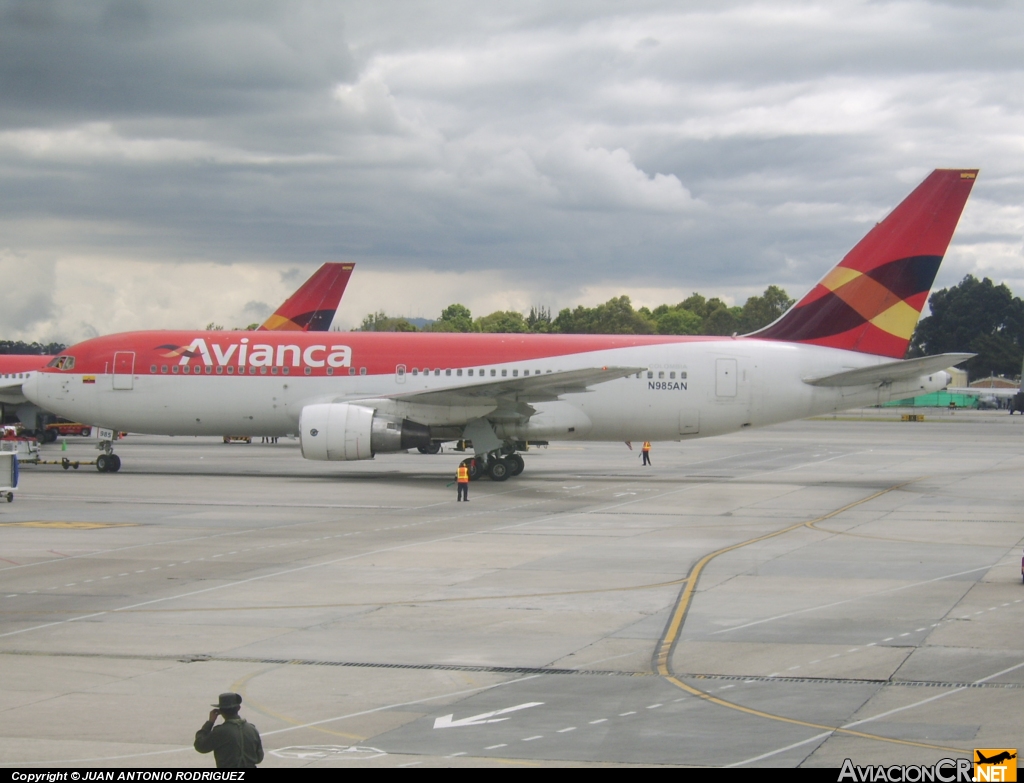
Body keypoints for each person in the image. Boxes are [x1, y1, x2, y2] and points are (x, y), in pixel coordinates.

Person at [194, 692, 264, 768]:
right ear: (238, 708)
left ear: (220, 711)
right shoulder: (252, 729)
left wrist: (210, 722)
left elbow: (200, 746)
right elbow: (259, 758)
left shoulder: (220, 731)